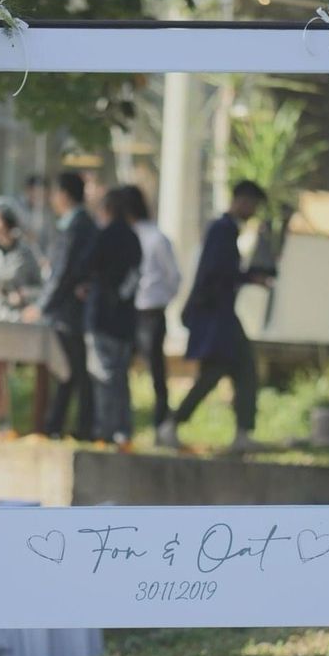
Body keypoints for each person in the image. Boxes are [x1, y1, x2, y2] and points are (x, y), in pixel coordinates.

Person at [157, 180, 270, 452]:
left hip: (219, 315)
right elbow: (216, 273)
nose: (253, 211)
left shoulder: (225, 229)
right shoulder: (223, 230)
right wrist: (247, 277)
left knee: (236, 371)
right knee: (220, 372)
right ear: (241, 200)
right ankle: (172, 424)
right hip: (216, 317)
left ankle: (239, 432)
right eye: (252, 205)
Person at [23, 172, 98, 440]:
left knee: (73, 370)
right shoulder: (77, 224)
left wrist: (42, 306)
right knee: (70, 370)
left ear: (65, 195)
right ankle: (56, 424)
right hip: (68, 310)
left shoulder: (77, 227)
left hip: (69, 312)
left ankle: (79, 427)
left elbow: (64, 272)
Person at [81, 187, 142, 445]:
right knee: (120, 377)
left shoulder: (103, 236)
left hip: (102, 316)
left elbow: (84, 265)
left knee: (102, 375)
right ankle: (123, 429)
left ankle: (105, 430)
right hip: (125, 320)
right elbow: (135, 275)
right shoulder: (133, 238)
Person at [121, 185, 181, 438]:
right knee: (120, 368)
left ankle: (160, 425)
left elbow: (173, 277)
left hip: (151, 310)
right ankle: (124, 424)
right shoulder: (124, 236)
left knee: (156, 371)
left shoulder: (156, 237)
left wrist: (160, 298)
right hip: (128, 310)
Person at [0, 196, 42, 433]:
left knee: (1, 366)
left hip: (11, 319)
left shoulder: (25, 253)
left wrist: (23, 296)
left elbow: (40, 286)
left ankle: (3, 416)